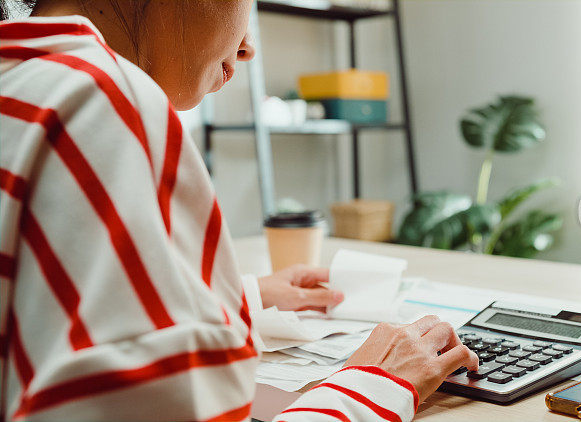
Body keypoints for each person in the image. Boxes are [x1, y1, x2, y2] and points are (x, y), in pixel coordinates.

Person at [0, 0, 479, 420]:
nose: (248, 46)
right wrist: (373, 385)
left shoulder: (22, 82)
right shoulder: (98, 101)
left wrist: (239, 299)